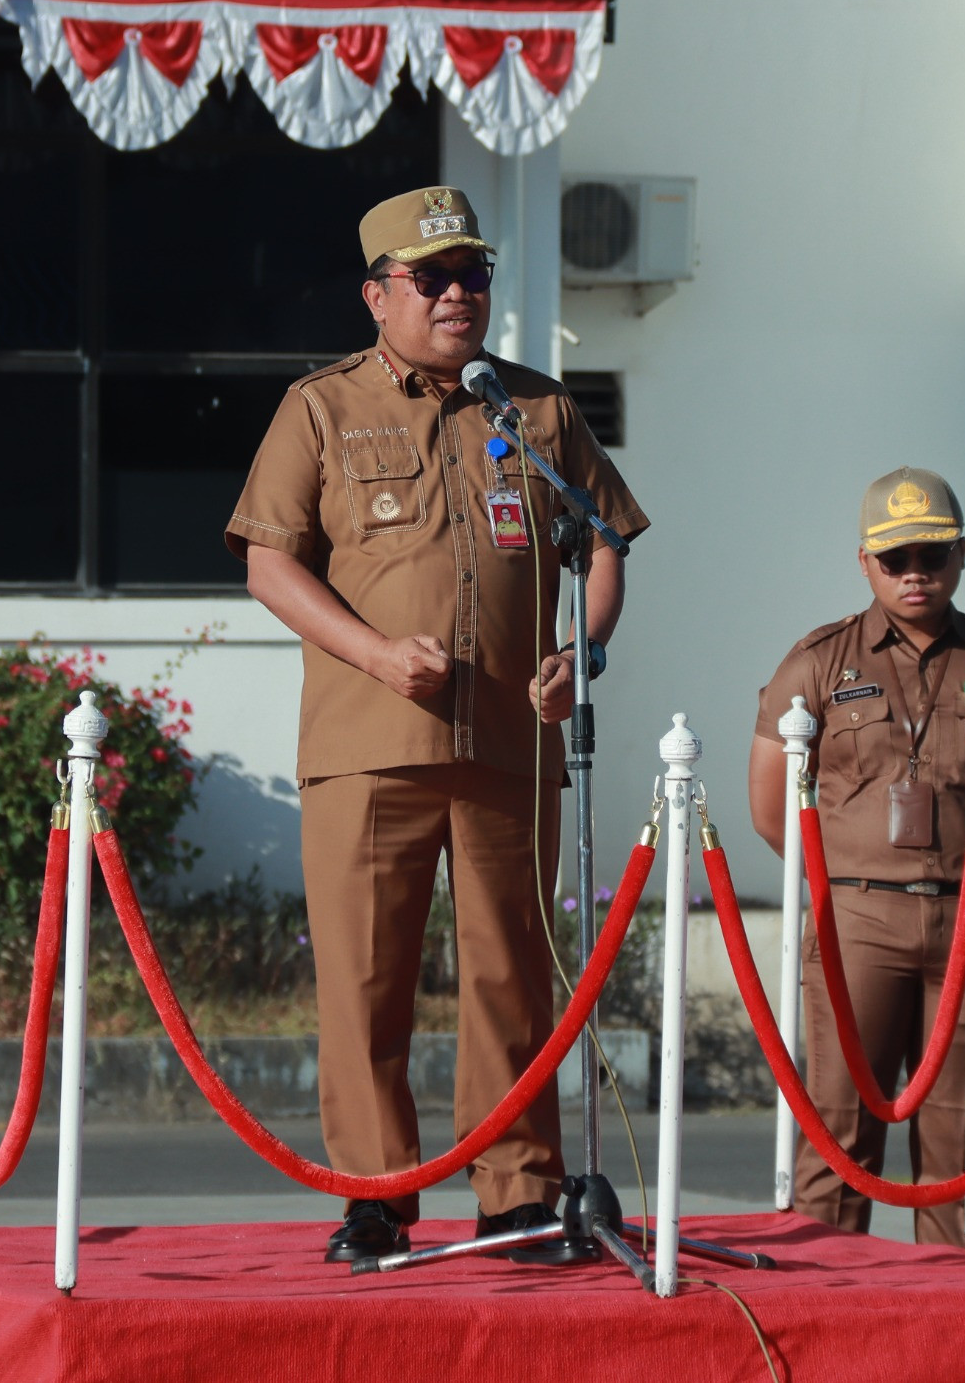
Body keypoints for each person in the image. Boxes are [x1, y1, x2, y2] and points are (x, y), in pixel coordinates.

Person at [227, 186, 649, 1264]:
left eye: (475, 274)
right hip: (369, 746)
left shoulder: (534, 411)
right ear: (377, 295)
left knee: (512, 970)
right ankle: (376, 1195)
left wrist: (581, 652)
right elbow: (269, 557)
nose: (460, 293)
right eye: (433, 277)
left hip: (511, 741)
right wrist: (372, 651)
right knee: (368, 976)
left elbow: (602, 538)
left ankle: (515, 1189)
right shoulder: (321, 407)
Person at [748, 467, 965, 1250]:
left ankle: (958, 1334)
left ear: (961, 556)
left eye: (932, 555)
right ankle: (824, 1321)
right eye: (895, 560)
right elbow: (769, 811)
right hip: (857, 916)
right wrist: (854, 877)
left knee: (959, 1143)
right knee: (837, 1130)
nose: (915, 574)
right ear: (864, 562)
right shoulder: (819, 663)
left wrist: (960, 859)